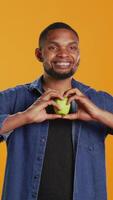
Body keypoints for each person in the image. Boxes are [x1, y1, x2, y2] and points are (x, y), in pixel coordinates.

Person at [0, 22, 113, 200]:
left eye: (72, 47)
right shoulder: (14, 98)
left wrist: (99, 114)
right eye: (53, 47)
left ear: (78, 55)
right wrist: (24, 117)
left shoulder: (98, 100)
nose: (64, 54)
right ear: (39, 54)